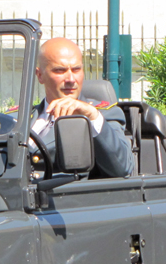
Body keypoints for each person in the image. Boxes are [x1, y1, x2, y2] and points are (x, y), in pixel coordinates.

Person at [31, 37, 133, 179]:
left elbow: (122, 168)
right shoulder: (19, 117)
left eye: (76, 69)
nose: (71, 79)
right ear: (40, 75)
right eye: (60, 70)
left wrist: (92, 117)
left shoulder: (103, 115)